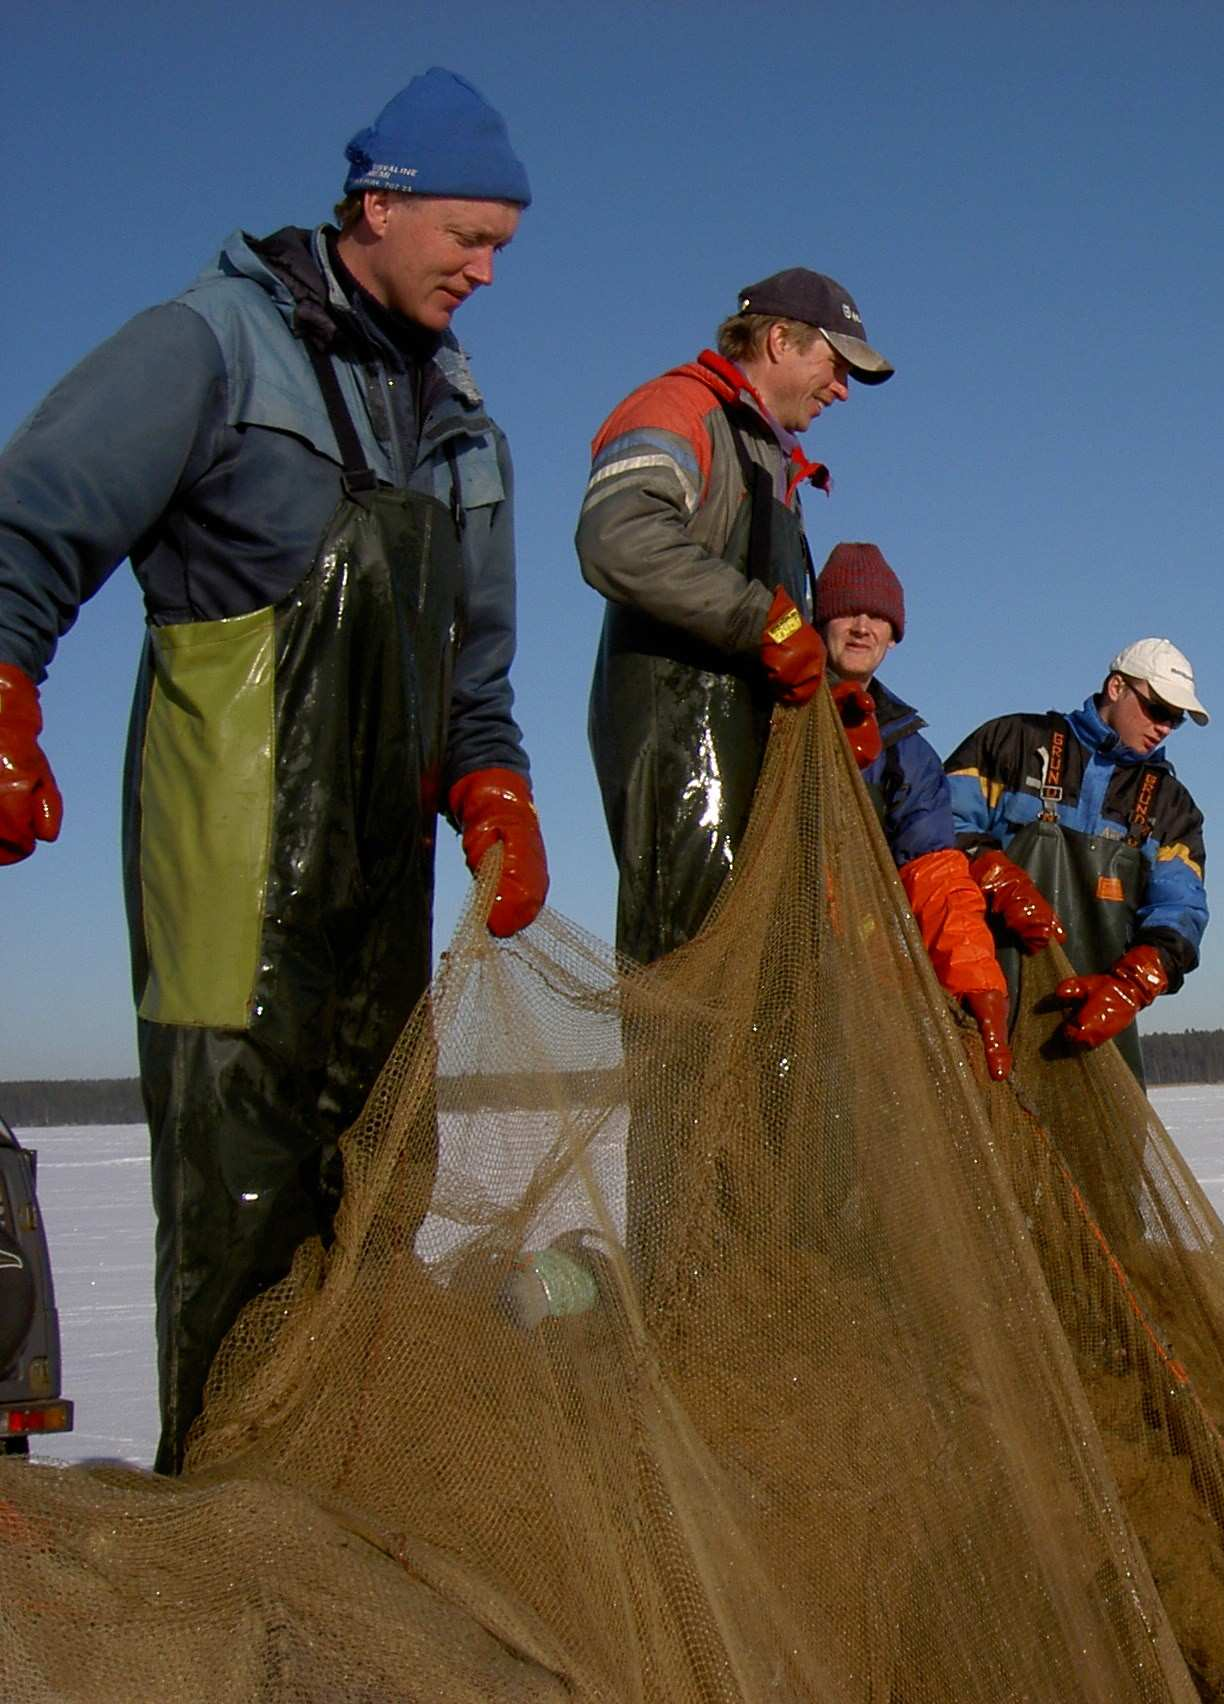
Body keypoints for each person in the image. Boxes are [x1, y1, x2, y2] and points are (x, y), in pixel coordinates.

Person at [0, 68, 548, 1471]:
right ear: (382, 204)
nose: (485, 272)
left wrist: (495, 780)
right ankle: (227, 1534)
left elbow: (470, 665)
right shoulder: (210, 345)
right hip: (224, 865)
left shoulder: (460, 422)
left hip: (378, 894)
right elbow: (32, 518)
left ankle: (341, 1518)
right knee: (240, 1215)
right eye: (468, 241)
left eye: (502, 248)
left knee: (374, 1202)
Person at [578, 267, 891, 966]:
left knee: (770, 974)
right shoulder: (678, 408)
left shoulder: (773, 460)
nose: (840, 389)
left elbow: (778, 630)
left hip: (750, 758)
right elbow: (617, 538)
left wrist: (822, 691)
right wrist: (768, 625)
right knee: (692, 969)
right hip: (679, 747)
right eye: (835, 367)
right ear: (780, 340)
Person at [946, 639, 1210, 1080]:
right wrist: (993, 874)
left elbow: (1181, 909)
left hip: (1090, 1033)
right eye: (1157, 709)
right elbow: (937, 829)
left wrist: (1135, 982)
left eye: (1175, 720)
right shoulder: (1011, 743)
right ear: (1116, 687)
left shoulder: (1171, 807)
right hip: (977, 1009)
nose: (1164, 727)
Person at [814, 543, 1010, 1081]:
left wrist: (978, 981)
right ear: (822, 618)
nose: (862, 626)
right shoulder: (771, 707)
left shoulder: (909, 753)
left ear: (894, 635)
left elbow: (937, 876)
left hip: (857, 980)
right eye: (849, 611)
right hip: (771, 964)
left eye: (877, 616)